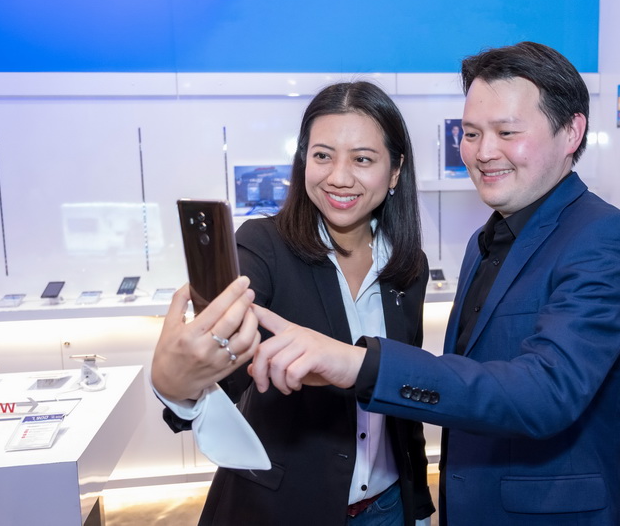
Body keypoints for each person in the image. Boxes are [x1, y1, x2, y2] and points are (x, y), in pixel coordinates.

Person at [248, 41, 620, 525]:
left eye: (507, 132)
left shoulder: (606, 238)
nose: (483, 152)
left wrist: (359, 363)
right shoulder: (486, 242)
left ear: (571, 132)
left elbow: (546, 391)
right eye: (471, 133)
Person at [150, 81, 435, 525]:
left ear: (395, 171)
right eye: (322, 156)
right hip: (282, 509)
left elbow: (401, 391)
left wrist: (417, 508)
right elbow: (228, 369)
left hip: (387, 506)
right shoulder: (263, 246)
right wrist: (178, 385)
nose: (338, 177)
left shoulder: (409, 266)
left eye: (362, 159)